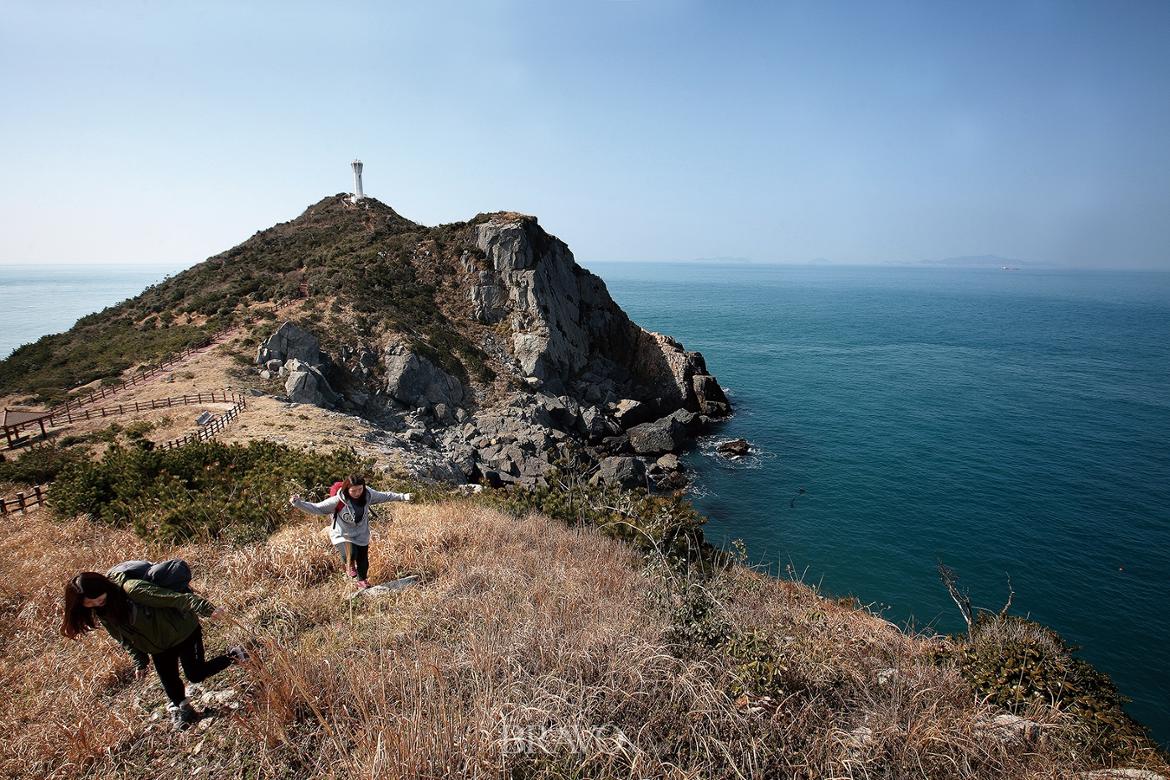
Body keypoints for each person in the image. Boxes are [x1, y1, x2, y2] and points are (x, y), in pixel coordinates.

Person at [61, 569, 246, 730]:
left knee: (195, 674)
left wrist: (206, 608)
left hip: (183, 632)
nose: (96, 605)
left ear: (103, 587)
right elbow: (125, 640)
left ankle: (237, 654)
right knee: (170, 681)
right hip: (157, 648)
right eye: (90, 605)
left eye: (96, 600)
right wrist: (140, 662)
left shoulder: (133, 589)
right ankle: (184, 710)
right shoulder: (104, 613)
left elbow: (175, 599)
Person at [289, 474, 412, 589]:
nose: (357, 493)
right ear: (346, 489)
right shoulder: (337, 500)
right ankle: (349, 565)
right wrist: (298, 503)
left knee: (363, 560)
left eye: (360, 489)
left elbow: (385, 496)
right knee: (351, 553)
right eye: (353, 490)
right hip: (342, 534)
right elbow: (317, 508)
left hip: (361, 534)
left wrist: (403, 496)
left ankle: (362, 580)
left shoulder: (368, 494)